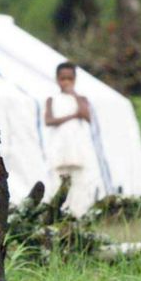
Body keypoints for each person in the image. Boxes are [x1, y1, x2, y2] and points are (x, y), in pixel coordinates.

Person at [45, 62, 98, 218]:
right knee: (58, 182)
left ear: (75, 80)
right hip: (60, 148)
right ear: (57, 79)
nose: (66, 82)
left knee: (79, 184)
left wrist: (74, 95)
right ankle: (58, 215)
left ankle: (78, 215)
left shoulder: (81, 98)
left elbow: (87, 115)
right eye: (63, 79)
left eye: (70, 79)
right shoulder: (52, 99)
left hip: (77, 149)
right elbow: (48, 120)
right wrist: (72, 116)